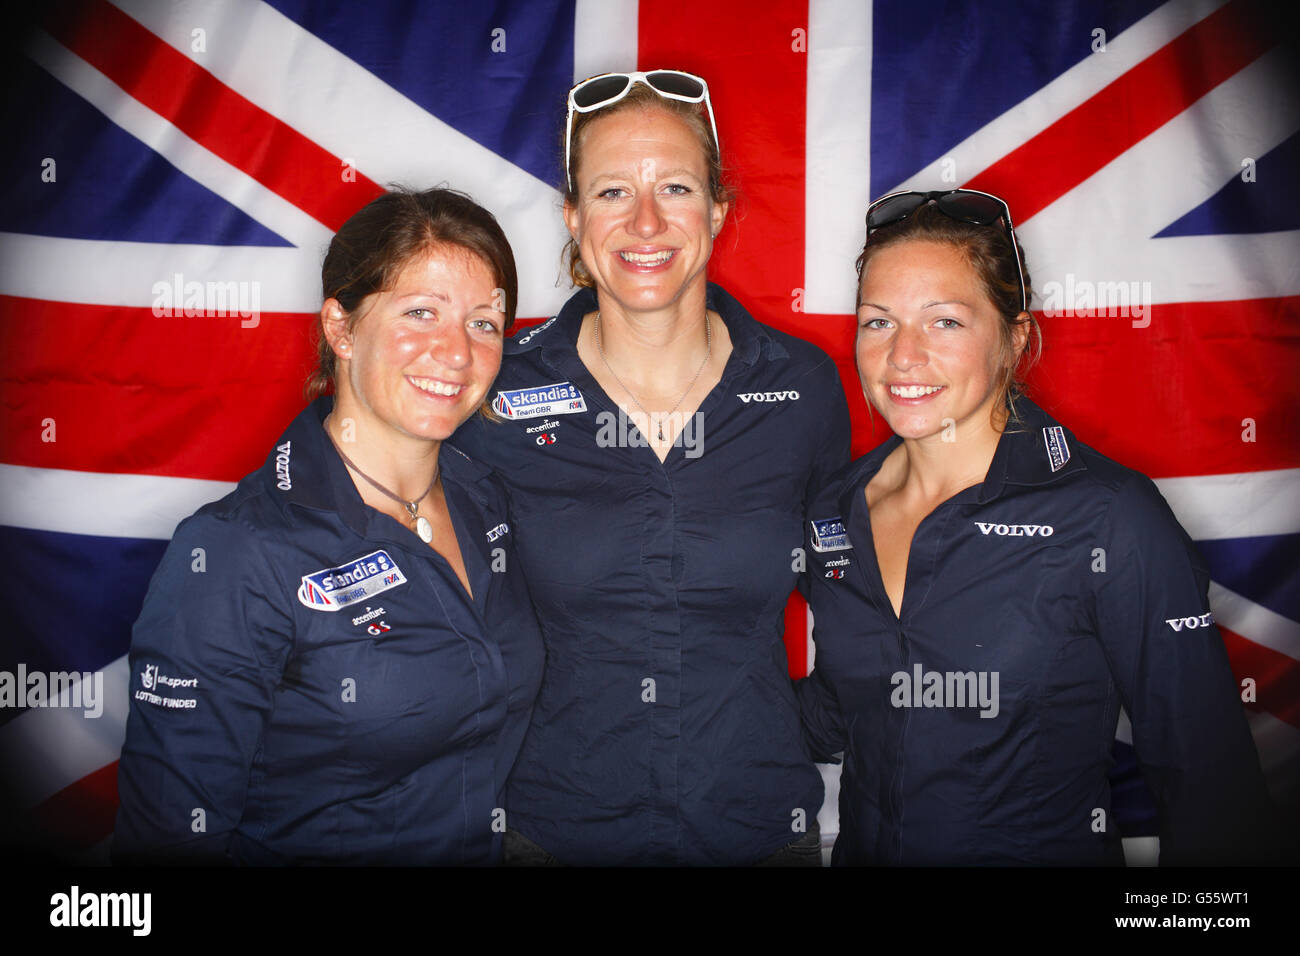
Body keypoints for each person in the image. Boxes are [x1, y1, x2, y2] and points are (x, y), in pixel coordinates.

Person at [796, 189, 1275, 865]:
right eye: (878, 322)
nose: (902, 355)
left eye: (946, 323)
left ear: (1015, 337)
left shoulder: (1109, 516)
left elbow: (1209, 785)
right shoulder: (833, 509)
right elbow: (841, 707)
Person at [452, 70, 850, 865]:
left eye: (674, 186)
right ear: (572, 216)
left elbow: (854, 595)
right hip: (552, 834)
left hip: (760, 832)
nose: (644, 221)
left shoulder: (801, 388)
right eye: (610, 193)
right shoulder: (494, 392)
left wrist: (786, 726)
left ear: (717, 211)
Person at [113, 187, 544, 864]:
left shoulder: (485, 499)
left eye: (485, 323)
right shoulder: (236, 553)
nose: (457, 352)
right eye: (421, 312)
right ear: (340, 329)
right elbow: (168, 841)